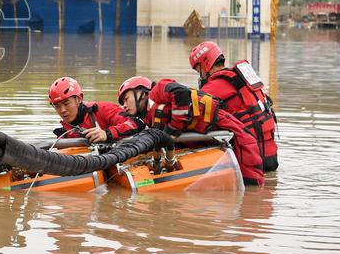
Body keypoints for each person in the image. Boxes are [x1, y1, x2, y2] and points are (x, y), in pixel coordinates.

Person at [116, 75, 264, 186]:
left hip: (220, 121)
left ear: (140, 92)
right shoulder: (149, 117)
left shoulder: (158, 90)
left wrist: (172, 130)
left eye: (126, 99)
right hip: (201, 134)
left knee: (250, 169)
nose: (124, 105)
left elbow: (181, 93)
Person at [190, 41, 278, 172]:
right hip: (270, 156)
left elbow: (191, 111)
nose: (200, 76)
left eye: (199, 71)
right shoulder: (241, 79)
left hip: (252, 159)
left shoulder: (216, 86)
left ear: (205, 64)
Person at [48, 76, 143, 144]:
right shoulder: (64, 134)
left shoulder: (102, 109)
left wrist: (107, 134)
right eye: (57, 106)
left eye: (66, 103)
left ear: (79, 99)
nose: (62, 110)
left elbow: (136, 123)